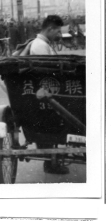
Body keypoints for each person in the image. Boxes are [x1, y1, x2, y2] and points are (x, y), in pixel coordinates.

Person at [29, 15, 70, 175]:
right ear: (50, 29)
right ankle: (51, 163)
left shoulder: (44, 44)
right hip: (47, 92)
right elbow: (47, 72)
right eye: (57, 31)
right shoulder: (40, 46)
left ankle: (52, 161)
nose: (59, 35)